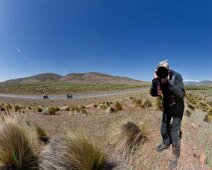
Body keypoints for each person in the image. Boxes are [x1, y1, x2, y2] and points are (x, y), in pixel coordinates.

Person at [150, 60, 185, 169]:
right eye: (162, 69)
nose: (165, 71)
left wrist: (168, 82)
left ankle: (175, 154)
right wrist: (155, 80)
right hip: (167, 107)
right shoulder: (158, 78)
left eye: (167, 69)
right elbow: (153, 93)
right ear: (158, 70)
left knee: (174, 130)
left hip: (178, 107)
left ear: (169, 69)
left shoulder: (177, 76)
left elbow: (181, 94)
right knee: (163, 129)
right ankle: (166, 143)